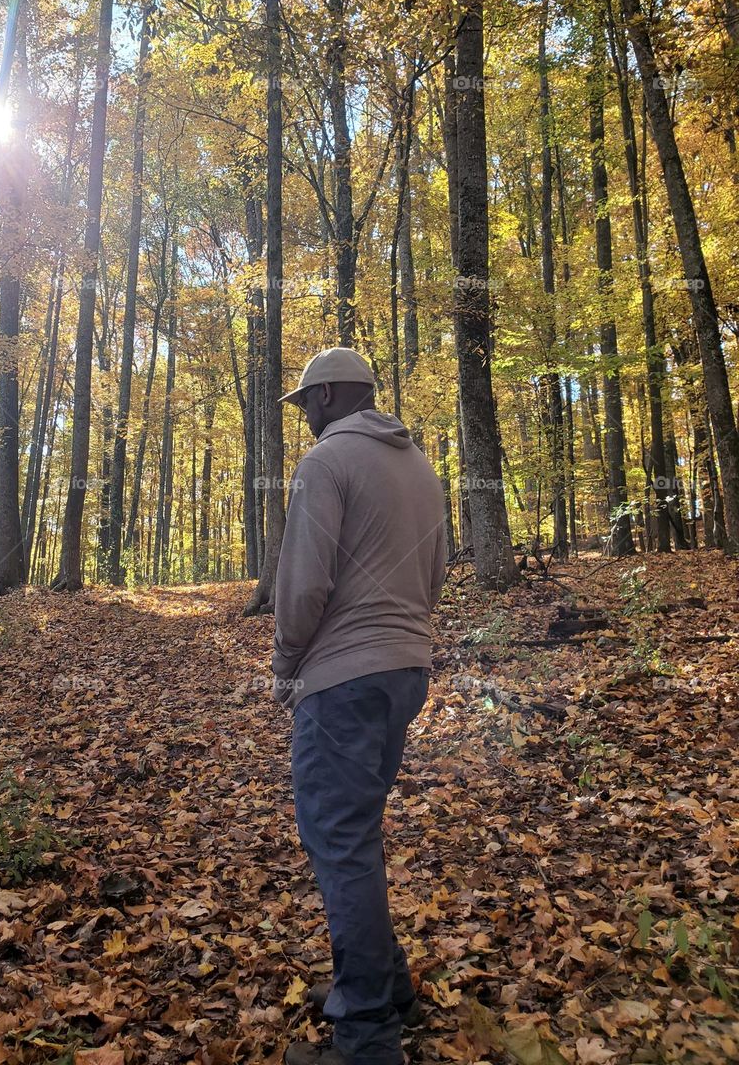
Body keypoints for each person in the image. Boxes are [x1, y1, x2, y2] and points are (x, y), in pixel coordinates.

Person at [271, 347, 447, 1065]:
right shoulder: (420, 467)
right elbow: (435, 573)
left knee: (338, 841)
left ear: (337, 394)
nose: (305, 416)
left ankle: (368, 1036)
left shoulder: (326, 464)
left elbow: (305, 582)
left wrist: (286, 663)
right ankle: (388, 985)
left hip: (342, 677)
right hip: (406, 667)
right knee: (356, 835)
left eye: (308, 401)